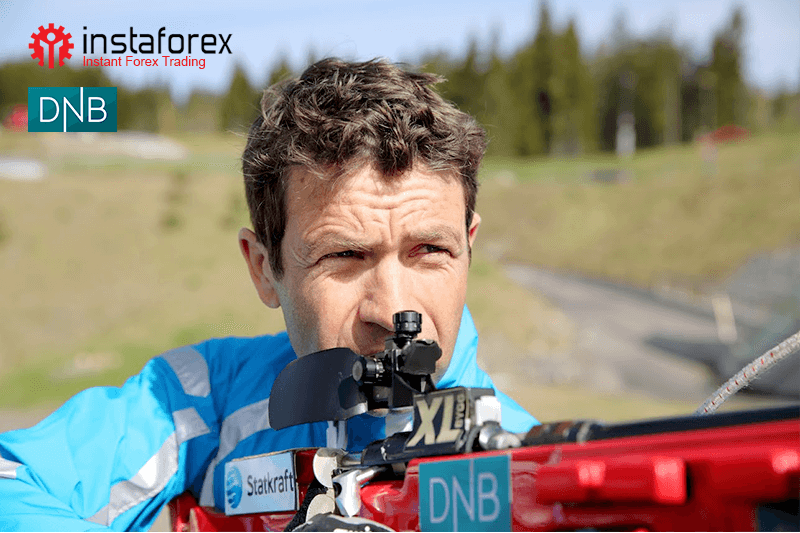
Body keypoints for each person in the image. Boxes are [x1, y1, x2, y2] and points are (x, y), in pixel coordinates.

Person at [0, 58, 538, 531]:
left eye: (430, 250)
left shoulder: (535, 470)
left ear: (468, 247)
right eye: (345, 256)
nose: (394, 309)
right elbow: (13, 481)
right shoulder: (208, 396)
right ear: (263, 268)